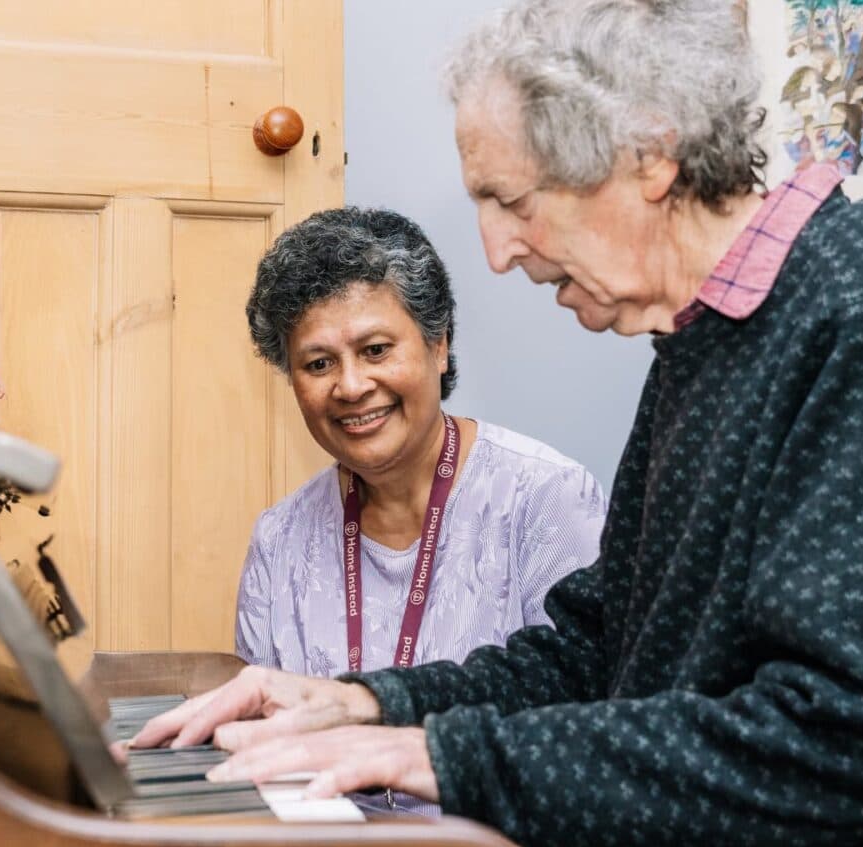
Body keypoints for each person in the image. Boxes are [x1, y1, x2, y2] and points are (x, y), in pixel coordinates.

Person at [130, 2, 863, 847]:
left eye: (511, 201)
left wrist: (445, 755)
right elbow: (598, 645)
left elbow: (852, 743)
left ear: (650, 157)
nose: (498, 254)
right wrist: (367, 702)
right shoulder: (703, 343)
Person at [235, 207, 606, 685]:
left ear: (438, 344)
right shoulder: (280, 540)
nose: (350, 386)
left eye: (376, 350)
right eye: (319, 364)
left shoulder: (546, 500)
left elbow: (590, 705)